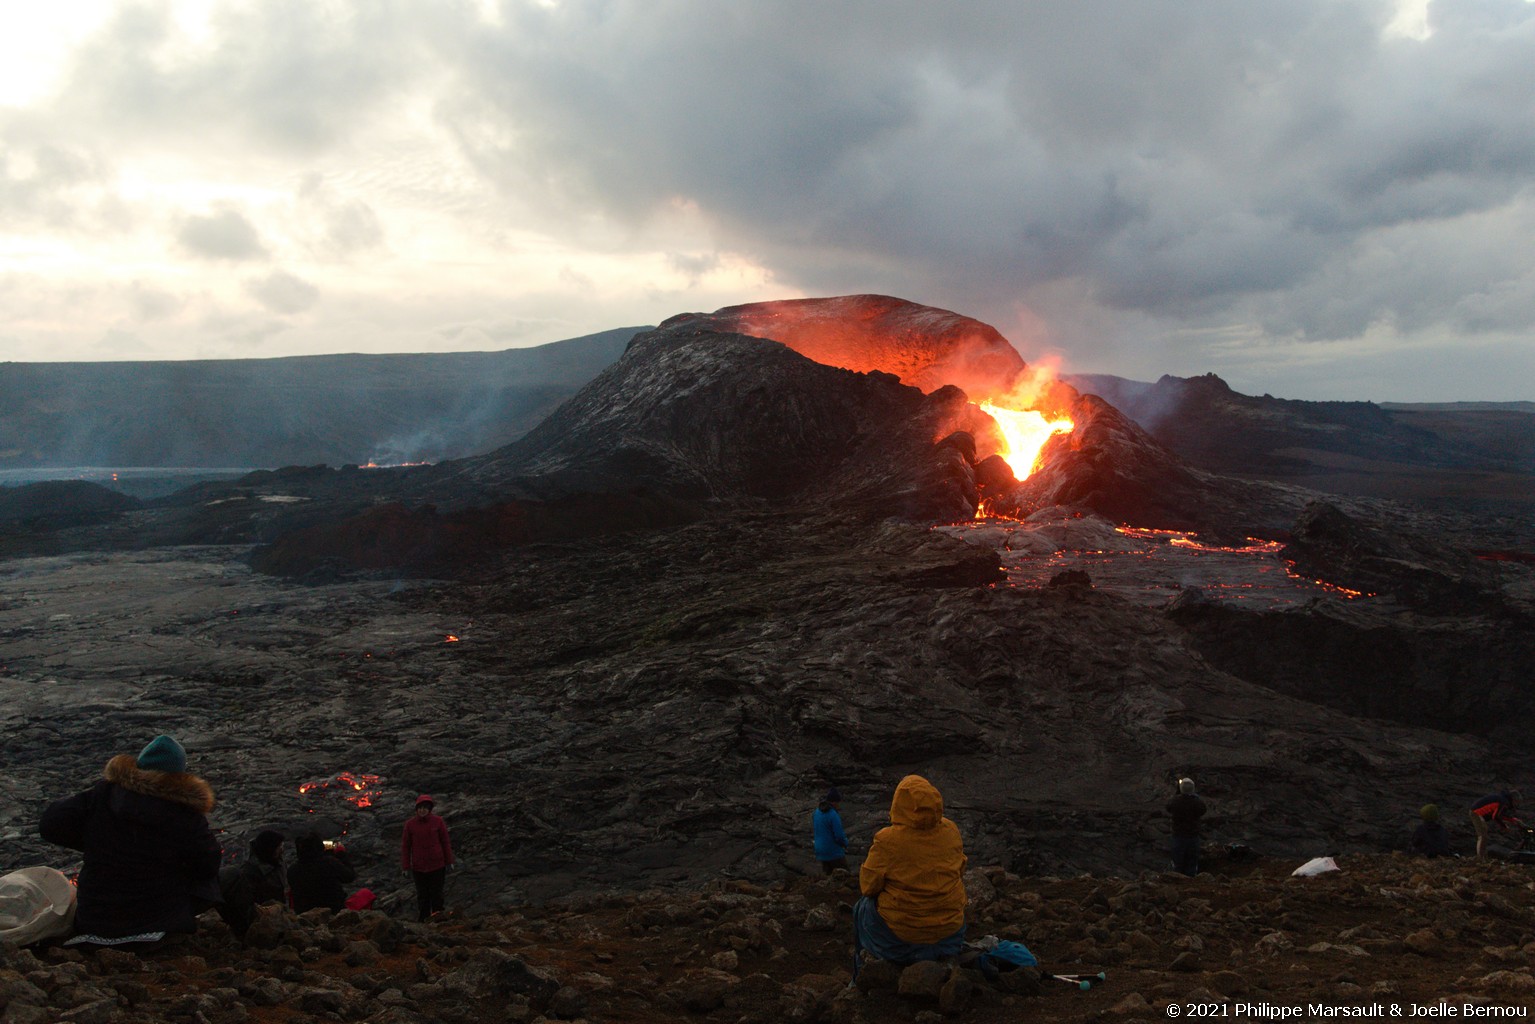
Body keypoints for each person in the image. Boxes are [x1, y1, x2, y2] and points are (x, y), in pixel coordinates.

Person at [39, 734, 221, 945]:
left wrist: (97, 843)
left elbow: (49, 825)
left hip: (94, 921)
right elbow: (208, 865)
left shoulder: (103, 794)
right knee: (212, 871)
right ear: (179, 775)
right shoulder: (185, 812)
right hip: (155, 924)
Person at [854, 775, 967, 967]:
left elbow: (868, 887)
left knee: (863, 906)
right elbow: (961, 869)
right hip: (950, 933)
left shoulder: (888, 840)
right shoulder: (951, 830)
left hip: (902, 938)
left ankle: (860, 974)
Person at [218, 829, 288, 937]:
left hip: (277, 913)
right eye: (279, 847)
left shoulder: (277, 863)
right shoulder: (250, 873)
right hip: (262, 923)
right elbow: (245, 905)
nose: (282, 850)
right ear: (269, 849)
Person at [401, 794, 454, 921]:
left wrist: (449, 861)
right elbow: (406, 847)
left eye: (425, 808)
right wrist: (406, 866)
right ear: (416, 809)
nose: (422, 810)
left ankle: (438, 919)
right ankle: (424, 920)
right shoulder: (410, 825)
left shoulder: (438, 821)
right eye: (420, 808)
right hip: (419, 867)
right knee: (423, 896)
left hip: (437, 865)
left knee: (437, 894)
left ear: (429, 809)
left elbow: (445, 842)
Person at [288, 832, 356, 913]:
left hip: (304, 913)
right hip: (334, 910)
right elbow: (349, 877)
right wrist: (341, 854)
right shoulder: (329, 863)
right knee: (366, 894)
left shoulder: (292, 870)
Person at [1166, 777, 1206, 877]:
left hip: (1178, 835)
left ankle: (1176, 881)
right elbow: (1203, 810)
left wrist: (1178, 793)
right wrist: (1194, 796)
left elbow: (1168, 807)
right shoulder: (1197, 802)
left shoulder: (1175, 801)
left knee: (1177, 862)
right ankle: (1190, 882)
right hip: (1193, 836)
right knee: (1191, 862)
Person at [1469, 790, 1521, 860]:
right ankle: (1480, 858)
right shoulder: (1503, 802)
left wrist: (1513, 820)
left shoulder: (1503, 800)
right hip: (1476, 813)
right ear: (1513, 799)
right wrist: (1504, 826)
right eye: (1517, 802)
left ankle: (1483, 857)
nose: (1516, 804)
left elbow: (1501, 815)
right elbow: (1495, 816)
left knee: (1484, 835)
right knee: (1482, 835)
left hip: (1477, 813)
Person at [812, 787, 849, 873]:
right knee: (846, 877)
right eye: (838, 802)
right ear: (834, 802)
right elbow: (839, 836)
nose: (839, 805)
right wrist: (845, 843)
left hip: (820, 851)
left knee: (829, 879)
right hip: (833, 852)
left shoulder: (816, 812)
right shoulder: (833, 815)